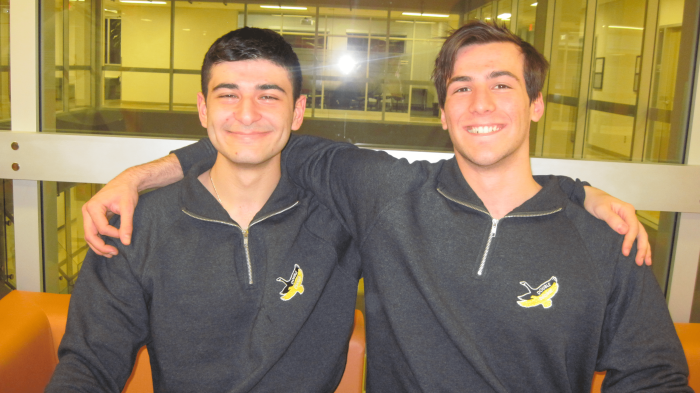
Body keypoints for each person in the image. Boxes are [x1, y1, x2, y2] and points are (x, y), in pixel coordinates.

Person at [80, 23, 675, 391]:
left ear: (537, 105)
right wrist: (141, 175)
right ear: (442, 112)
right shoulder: (388, 195)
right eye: (461, 88)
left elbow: (654, 376)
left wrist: (577, 192)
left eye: (503, 84)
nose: (480, 103)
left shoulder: (605, 238)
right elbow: (256, 137)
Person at [47, 28, 361, 392]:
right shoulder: (140, 223)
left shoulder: (342, 217)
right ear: (202, 108)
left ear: (298, 112)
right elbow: (90, 363)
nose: (246, 114)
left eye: (268, 96)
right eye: (228, 94)